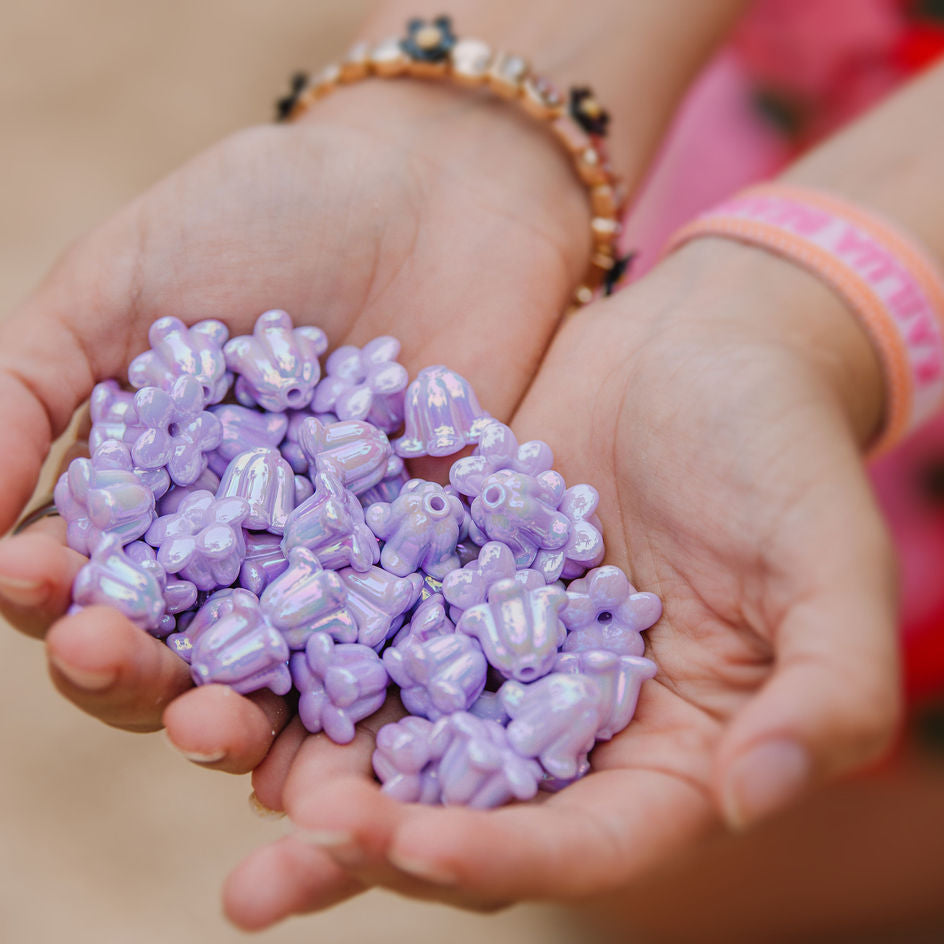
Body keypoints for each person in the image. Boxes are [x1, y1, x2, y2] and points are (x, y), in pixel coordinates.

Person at [1, 0, 942, 938]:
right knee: (654, 872)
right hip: (727, 154)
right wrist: (451, 115)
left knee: (785, 840)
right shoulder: (334, 491)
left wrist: (834, 303)